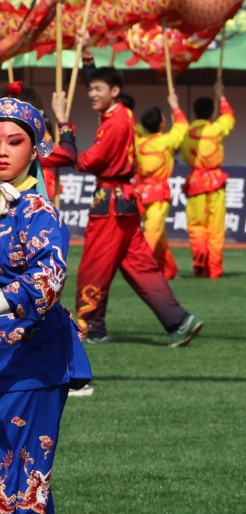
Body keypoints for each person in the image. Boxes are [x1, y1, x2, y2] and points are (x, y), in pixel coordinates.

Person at [0, 84, 88, 514]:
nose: (2, 150)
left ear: (35, 150)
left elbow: (48, 281)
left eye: (14, 141)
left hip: (33, 357)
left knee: (22, 465)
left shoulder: (39, 212)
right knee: (11, 460)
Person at [48, 70, 203, 348]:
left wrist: (64, 123)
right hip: (125, 202)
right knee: (142, 267)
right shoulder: (123, 115)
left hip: (110, 205)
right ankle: (179, 321)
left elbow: (85, 161)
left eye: (98, 89)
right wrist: (87, 59)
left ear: (115, 91)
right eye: (90, 89)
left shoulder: (115, 123)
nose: (92, 94)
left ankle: (90, 327)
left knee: (94, 267)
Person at [178, 74, 235, 278]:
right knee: (215, 230)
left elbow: (181, 152)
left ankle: (199, 256)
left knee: (196, 226)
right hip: (214, 183)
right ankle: (214, 268)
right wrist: (221, 96)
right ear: (211, 113)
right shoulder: (215, 129)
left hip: (195, 183)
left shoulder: (186, 133)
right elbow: (229, 117)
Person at [134, 86, 192, 279]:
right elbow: (183, 126)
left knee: (158, 235)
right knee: (153, 232)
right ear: (160, 124)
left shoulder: (138, 142)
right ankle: (141, 267)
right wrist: (174, 105)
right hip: (158, 192)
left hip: (141, 191)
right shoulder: (165, 141)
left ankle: (169, 270)